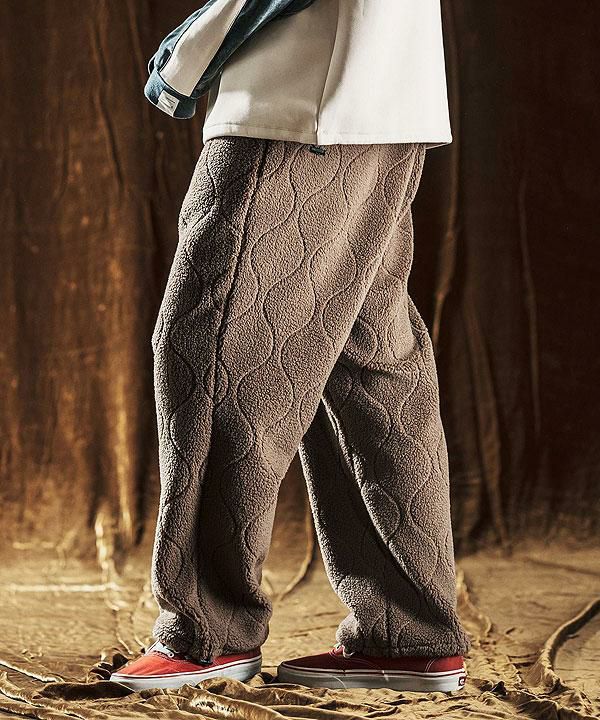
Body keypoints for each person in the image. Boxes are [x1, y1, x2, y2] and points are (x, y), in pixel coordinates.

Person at [110, 0, 472, 693]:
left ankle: (208, 629)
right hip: (390, 90)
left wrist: (186, 56)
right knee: (368, 364)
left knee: (211, 355)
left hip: (303, 99)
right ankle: (409, 635)